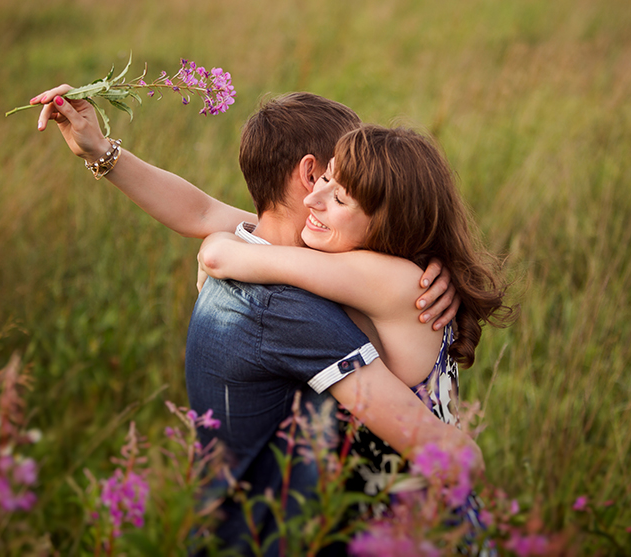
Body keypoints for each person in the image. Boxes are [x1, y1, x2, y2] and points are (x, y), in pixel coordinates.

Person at [29, 88, 478, 554]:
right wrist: (100, 150)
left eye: (345, 189)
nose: (329, 192)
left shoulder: (352, 277)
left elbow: (221, 234)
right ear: (310, 175)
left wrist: (220, 250)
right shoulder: (310, 289)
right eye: (330, 176)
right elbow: (202, 213)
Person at [197, 124, 513, 551]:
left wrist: (212, 249)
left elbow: (226, 253)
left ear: (385, 221)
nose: (312, 198)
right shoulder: (377, 267)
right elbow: (211, 214)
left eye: (339, 197)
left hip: (425, 528)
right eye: (325, 179)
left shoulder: (387, 278)